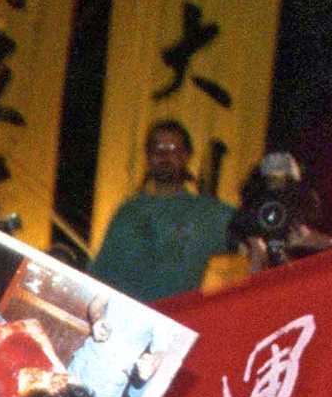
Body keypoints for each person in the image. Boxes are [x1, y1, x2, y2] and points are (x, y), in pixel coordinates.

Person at [89, 121, 237, 304]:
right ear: (148, 156)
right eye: (158, 148)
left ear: (186, 156)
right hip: (126, 320)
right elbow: (101, 274)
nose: (165, 155)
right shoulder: (128, 212)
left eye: (174, 149)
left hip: (176, 322)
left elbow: (255, 230)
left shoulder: (208, 214)